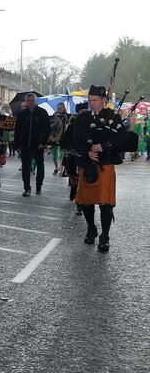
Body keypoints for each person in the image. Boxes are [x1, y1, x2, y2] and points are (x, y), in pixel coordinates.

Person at [69, 85, 127, 252]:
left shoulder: (112, 117)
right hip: (87, 164)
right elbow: (75, 141)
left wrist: (105, 146)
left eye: (95, 100)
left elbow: (123, 136)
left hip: (106, 163)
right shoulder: (81, 119)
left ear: (104, 101)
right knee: (86, 201)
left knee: (105, 203)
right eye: (89, 100)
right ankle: (91, 227)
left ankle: (105, 236)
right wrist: (87, 153)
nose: (91, 103)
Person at [14, 92, 50, 196]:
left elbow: (47, 129)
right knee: (25, 167)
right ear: (26, 101)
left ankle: (39, 186)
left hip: (38, 145)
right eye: (28, 101)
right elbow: (17, 131)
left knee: (40, 166)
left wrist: (43, 142)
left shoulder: (42, 113)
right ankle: (27, 188)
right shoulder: (22, 114)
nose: (30, 103)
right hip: (25, 145)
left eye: (32, 101)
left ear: (36, 100)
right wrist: (17, 145)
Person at [60, 102, 88, 214]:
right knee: (75, 180)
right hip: (74, 157)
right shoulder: (72, 124)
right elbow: (64, 140)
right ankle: (76, 198)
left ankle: (81, 203)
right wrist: (69, 147)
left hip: (87, 157)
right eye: (81, 112)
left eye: (85, 112)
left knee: (85, 180)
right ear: (78, 113)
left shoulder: (91, 123)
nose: (84, 114)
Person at [50, 102, 69, 175]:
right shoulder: (55, 115)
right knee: (54, 155)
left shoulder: (66, 116)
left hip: (63, 137)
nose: (59, 110)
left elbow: (68, 125)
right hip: (55, 137)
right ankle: (56, 167)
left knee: (61, 155)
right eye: (58, 108)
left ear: (64, 108)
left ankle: (61, 170)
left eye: (60, 108)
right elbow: (51, 125)